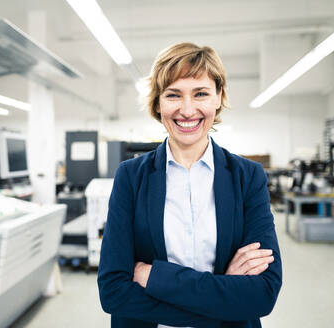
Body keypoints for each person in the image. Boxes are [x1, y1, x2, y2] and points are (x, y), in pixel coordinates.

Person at [97, 42, 282, 328]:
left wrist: (155, 277)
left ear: (219, 97)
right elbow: (113, 292)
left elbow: (263, 293)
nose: (187, 109)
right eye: (173, 95)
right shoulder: (131, 177)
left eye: (201, 94)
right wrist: (223, 295)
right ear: (158, 102)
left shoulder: (248, 177)